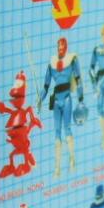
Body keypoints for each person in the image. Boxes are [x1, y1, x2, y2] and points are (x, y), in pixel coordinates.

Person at [38, 37, 84, 176]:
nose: (60, 49)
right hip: (56, 100)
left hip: (67, 98)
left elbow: (78, 80)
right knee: (57, 133)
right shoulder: (52, 63)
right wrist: (40, 99)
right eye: (59, 47)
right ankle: (57, 167)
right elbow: (46, 85)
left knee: (67, 130)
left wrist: (81, 99)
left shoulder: (71, 60)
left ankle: (72, 160)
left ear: (66, 47)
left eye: (63, 47)